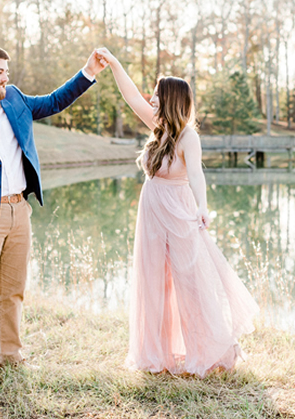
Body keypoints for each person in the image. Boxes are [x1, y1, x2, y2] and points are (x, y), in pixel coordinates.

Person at [0, 43, 105, 395]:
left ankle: (10, 355)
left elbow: (55, 101)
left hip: (18, 211)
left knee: (13, 292)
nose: (6, 78)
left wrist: (88, 72)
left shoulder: (15, 100)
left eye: (6, 72)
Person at [95, 47, 259, 377]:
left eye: (156, 95)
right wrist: (113, 64)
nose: (151, 99)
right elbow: (129, 96)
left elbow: (197, 175)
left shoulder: (188, 136)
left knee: (190, 280)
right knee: (153, 280)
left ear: (170, 99)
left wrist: (202, 207)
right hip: (152, 212)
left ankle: (207, 351)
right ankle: (156, 355)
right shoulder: (157, 127)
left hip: (179, 211)